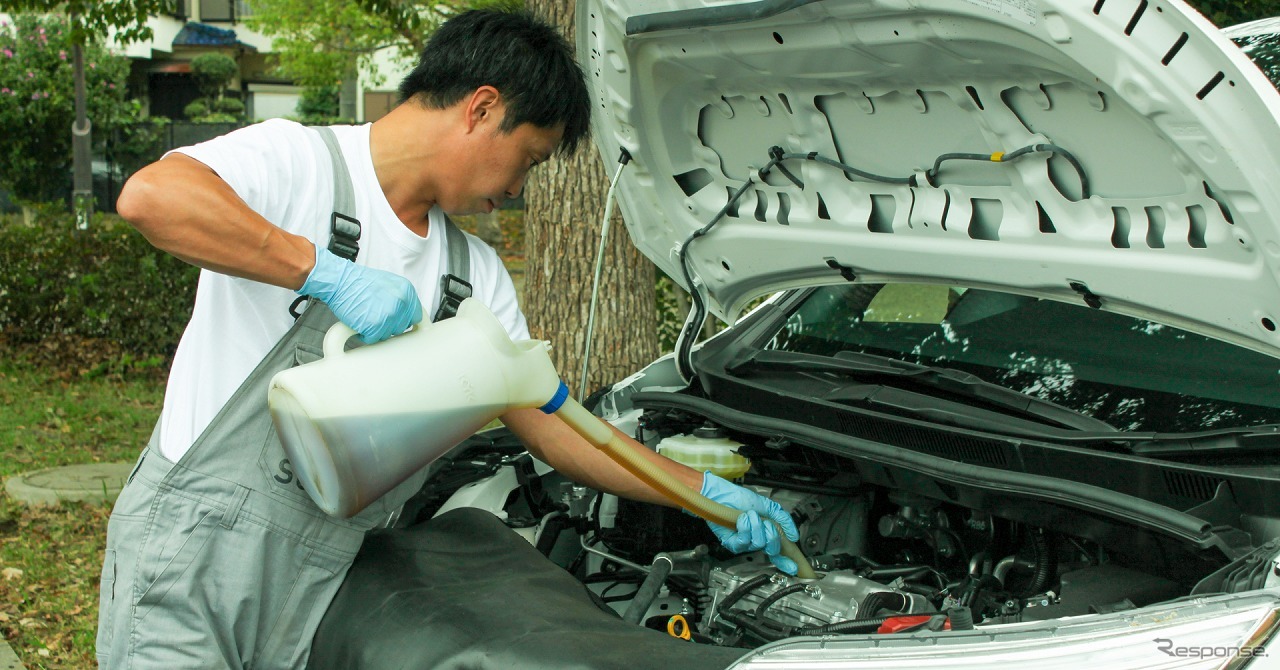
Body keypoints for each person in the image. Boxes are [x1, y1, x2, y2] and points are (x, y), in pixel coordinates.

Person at [96, 9, 799, 669]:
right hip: (196, 551)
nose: (520, 187)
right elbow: (152, 198)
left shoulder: (473, 277)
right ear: (482, 108)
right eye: (529, 158)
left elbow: (559, 428)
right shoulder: (302, 164)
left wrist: (700, 493)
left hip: (326, 578)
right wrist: (321, 271)